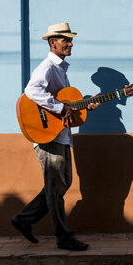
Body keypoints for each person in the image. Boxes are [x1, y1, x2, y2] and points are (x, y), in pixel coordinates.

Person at [11, 22, 99, 251]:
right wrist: (61, 108)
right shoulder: (48, 66)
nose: (70, 44)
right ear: (53, 43)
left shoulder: (60, 68)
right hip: (47, 136)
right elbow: (32, 90)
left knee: (62, 184)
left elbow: (65, 102)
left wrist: (83, 106)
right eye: (66, 40)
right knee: (55, 188)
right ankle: (64, 237)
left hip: (59, 135)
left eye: (71, 41)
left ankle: (24, 219)